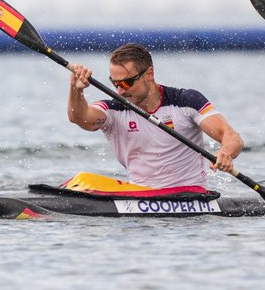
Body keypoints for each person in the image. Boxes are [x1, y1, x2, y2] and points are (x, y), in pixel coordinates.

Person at [66, 42, 243, 189]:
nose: (120, 91)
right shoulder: (114, 109)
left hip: (190, 196)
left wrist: (225, 152)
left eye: (127, 83)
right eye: (115, 83)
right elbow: (79, 118)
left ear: (149, 74)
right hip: (140, 195)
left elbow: (231, 137)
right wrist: (76, 89)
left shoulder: (185, 101)